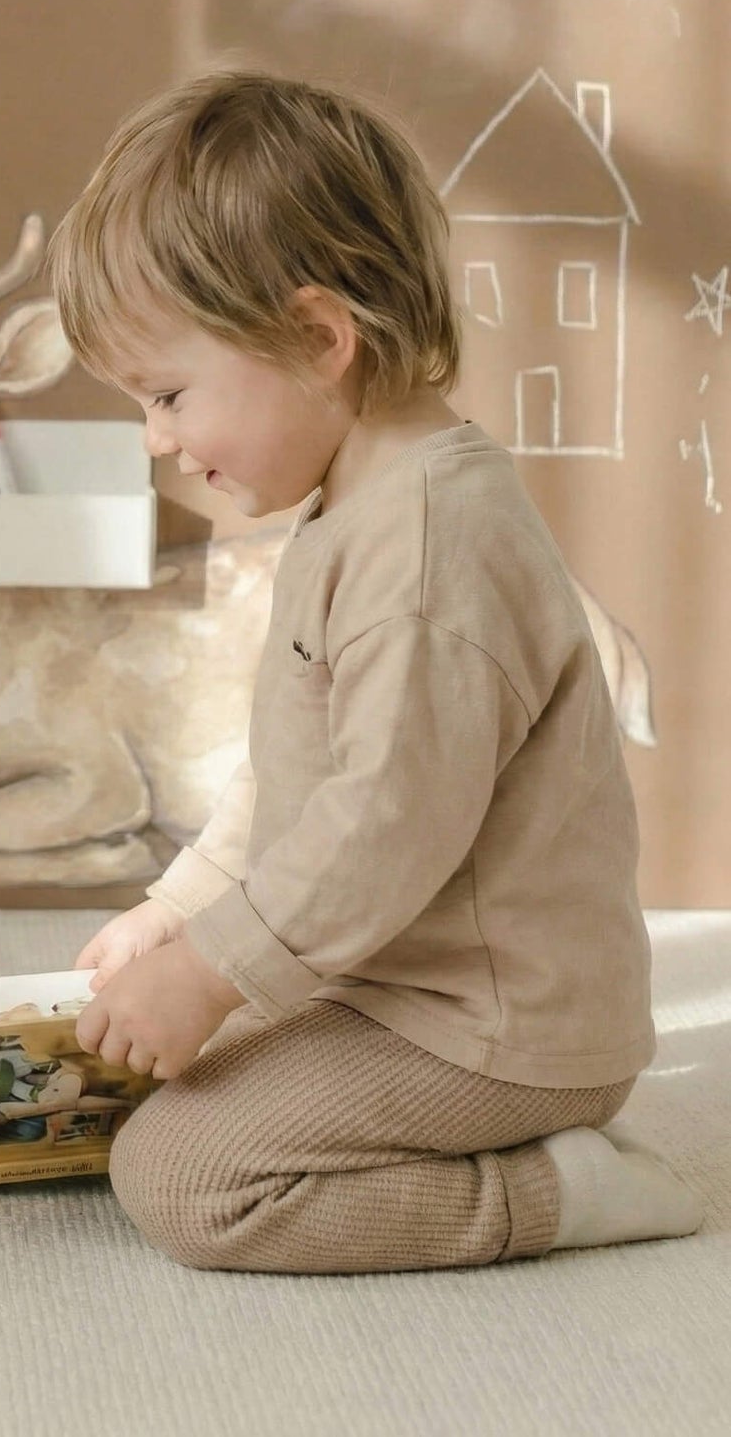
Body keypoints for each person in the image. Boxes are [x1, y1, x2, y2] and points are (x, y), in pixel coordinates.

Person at [46, 70, 701, 1274]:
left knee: (184, 1175)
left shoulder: (426, 549)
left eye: (168, 393)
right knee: (151, 1071)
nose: (158, 440)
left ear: (314, 337)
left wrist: (211, 970)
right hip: (391, 972)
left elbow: (377, 830)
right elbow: (288, 784)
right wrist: (175, 913)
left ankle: (554, 1188)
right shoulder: (355, 504)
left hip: (489, 1028)